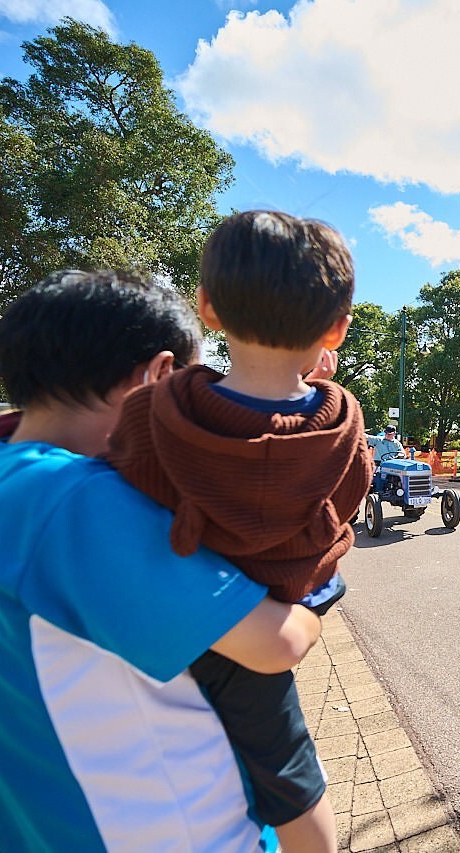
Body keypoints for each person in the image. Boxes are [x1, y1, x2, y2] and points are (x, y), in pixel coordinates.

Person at [0, 272, 324, 851]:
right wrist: (315, 594)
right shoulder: (75, 499)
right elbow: (274, 643)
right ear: (158, 376)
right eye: (190, 383)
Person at [105, 210, 371, 852]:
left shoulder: (158, 407)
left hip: (176, 614)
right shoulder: (340, 420)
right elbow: (351, 494)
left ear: (208, 309)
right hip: (275, 614)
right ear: (336, 328)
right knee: (290, 775)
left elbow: (126, 479)